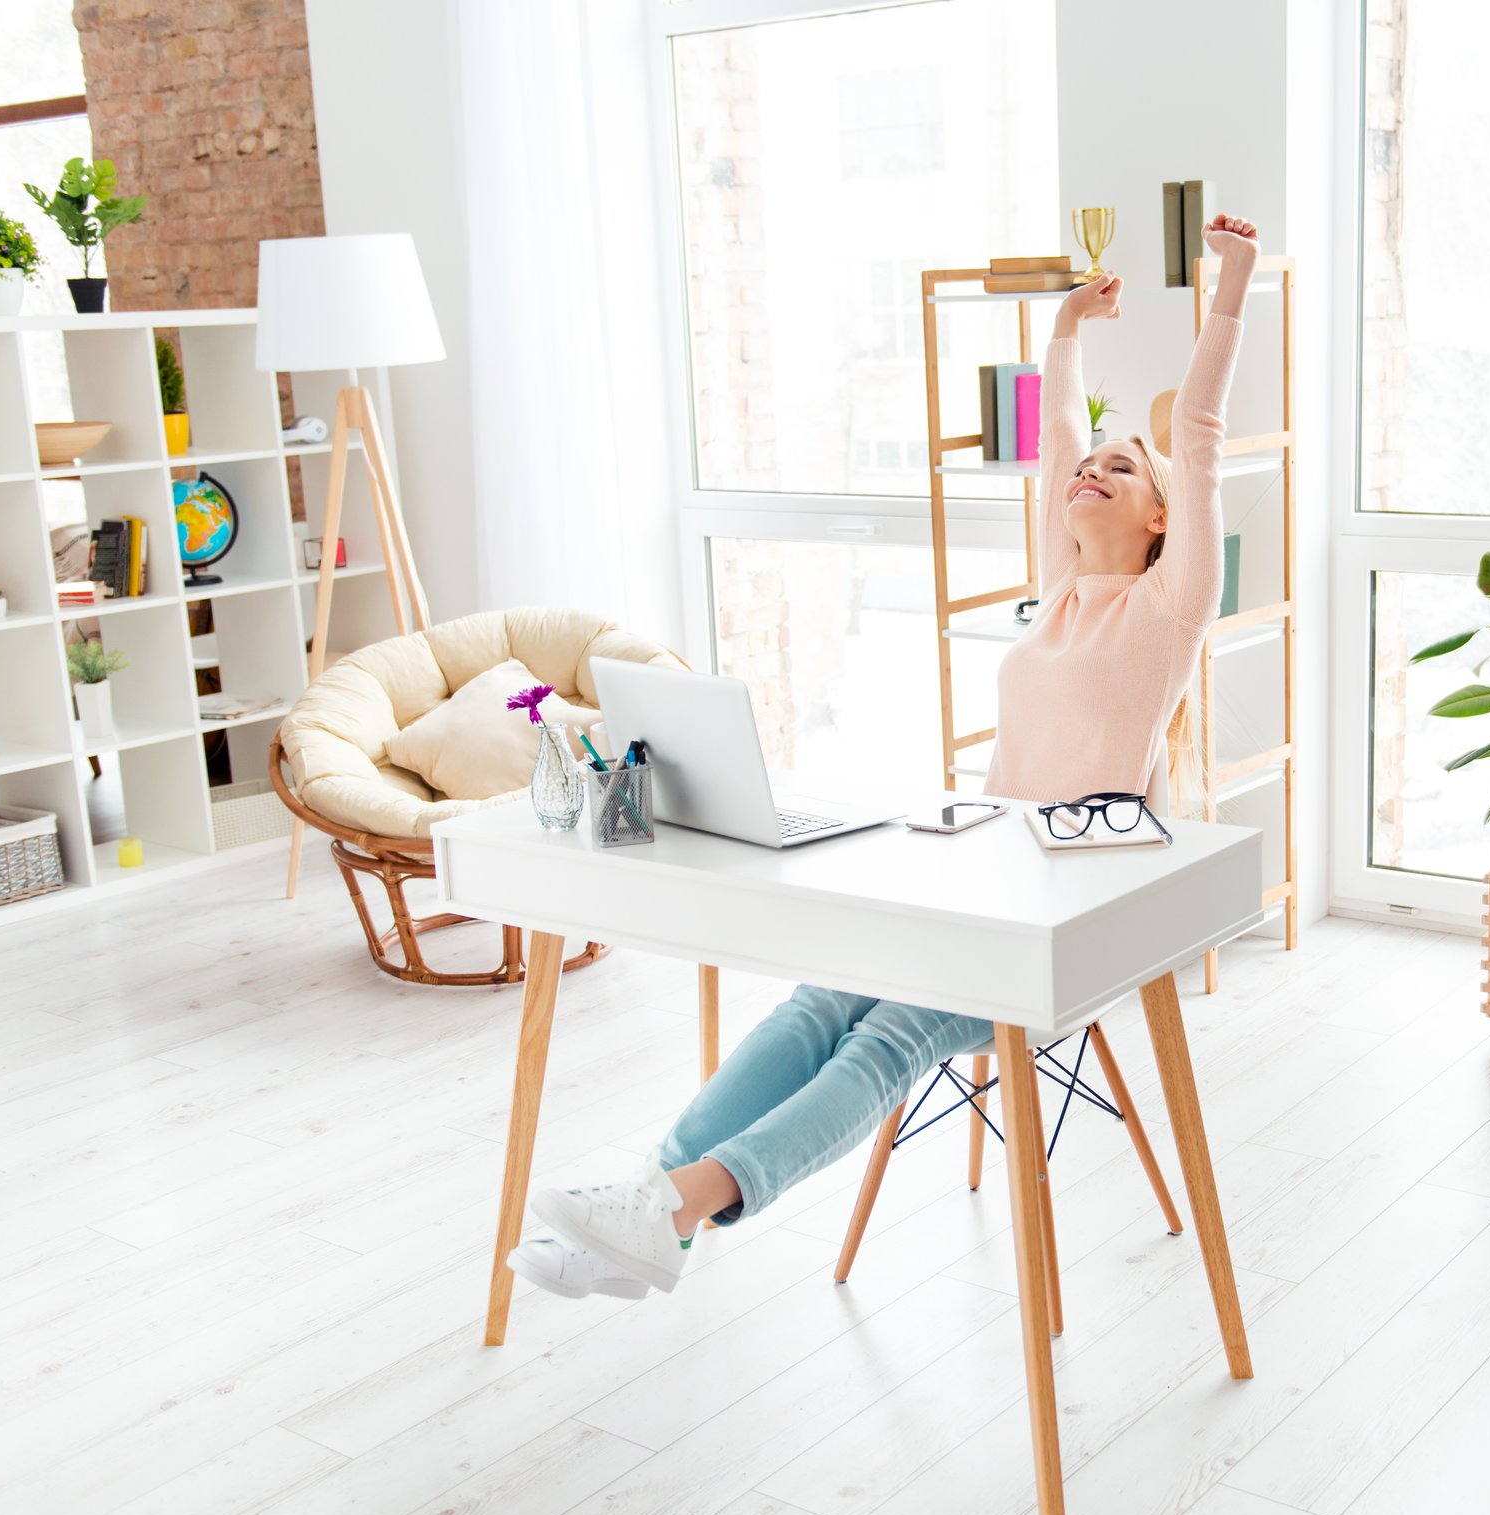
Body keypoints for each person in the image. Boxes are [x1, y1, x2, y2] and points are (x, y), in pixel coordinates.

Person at [510, 215, 1262, 1302]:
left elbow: (1197, 430)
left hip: (1065, 924)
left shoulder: (1170, 608)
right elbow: (1054, 438)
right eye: (1084, 467)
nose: (1088, 472)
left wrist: (1231, 284)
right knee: (817, 1002)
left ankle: (674, 1209)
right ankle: (640, 1210)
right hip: (978, 875)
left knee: (893, 1034)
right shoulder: (1060, 589)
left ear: (1160, 518)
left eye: (1120, 468)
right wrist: (1062, 332)